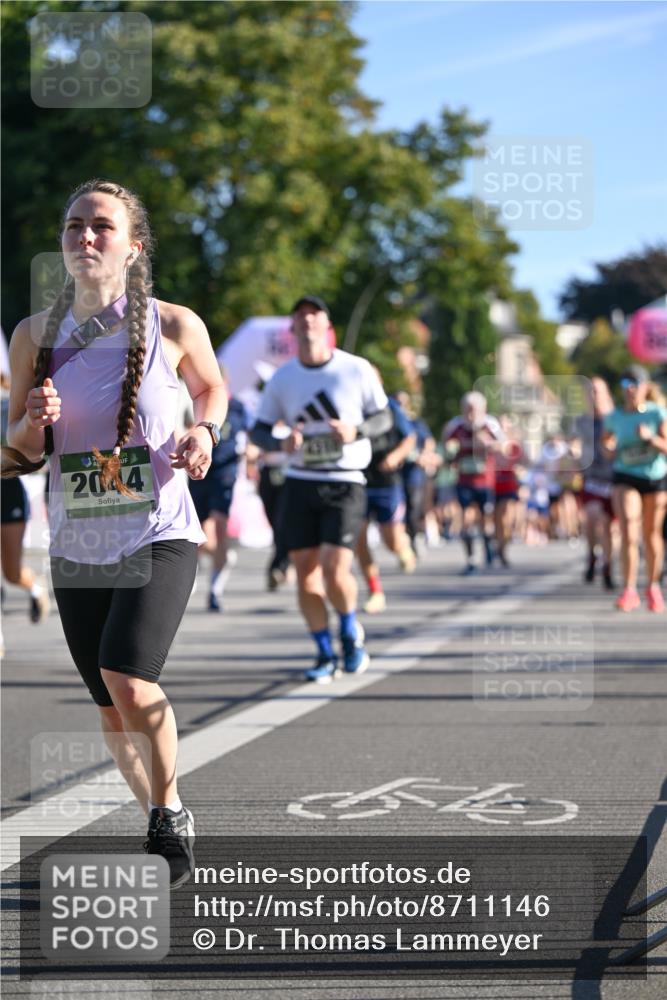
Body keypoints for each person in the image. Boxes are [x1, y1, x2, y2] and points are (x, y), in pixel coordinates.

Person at [6, 179, 227, 885]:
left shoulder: (175, 323)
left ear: (133, 247)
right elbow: (14, 452)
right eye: (74, 226)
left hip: (158, 528)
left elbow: (212, 389)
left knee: (126, 677)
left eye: (101, 226)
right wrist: (31, 423)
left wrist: (204, 431)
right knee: (109, 704)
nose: (85, 237)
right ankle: (162, 809)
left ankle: (166, 815)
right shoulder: (33, 336)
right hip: (78, 540)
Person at [250, 295, 392, 682]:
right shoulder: (283, 378)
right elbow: (259, 430)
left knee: (334, 569)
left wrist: (355, 430)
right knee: (305, 574)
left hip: (345, 480)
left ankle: (348, 630)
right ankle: (324, 652)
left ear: (327, 325)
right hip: (301, 482)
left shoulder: (355, 369)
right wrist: (282, 444)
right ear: (293, 328)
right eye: (300, 316)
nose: (307, 320)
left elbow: (384, 419)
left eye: (315, 314)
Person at [602, 364, 667, 612]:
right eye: (625, 386)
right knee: (629, 527)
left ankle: (652, 586)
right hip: (625, 475)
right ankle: (629, 590)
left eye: (634, 385)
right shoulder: (615, 416)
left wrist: (650, 438)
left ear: (645, 388)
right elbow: (605, 444)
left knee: (651, 536)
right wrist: (608, 448)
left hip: (654, 477)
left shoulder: (657, 413)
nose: (629, 390)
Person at [188, 366, 250, 612]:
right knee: (199, 536)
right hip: (198, 471)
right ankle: (219, 558)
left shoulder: (238, 408)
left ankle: (215, 589)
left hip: (225, 472)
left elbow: (250, 434)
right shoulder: (197, 402)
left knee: (217, 527)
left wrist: (252, 452)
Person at [356, 384, 416, 615]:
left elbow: (409, 437)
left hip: (386, 481)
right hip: (357, 480)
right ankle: (375, 591)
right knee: (359, 539)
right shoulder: (348, 404)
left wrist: (395, 456)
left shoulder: (389, 406)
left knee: (391, 540)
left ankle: (403, 547)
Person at [1, 374, 50, 623]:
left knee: (11, 573)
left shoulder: (7, 403)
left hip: (7, 491)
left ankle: (35, 587)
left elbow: (28, 451)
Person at [442, 391, 503, 574]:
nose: (470, 415)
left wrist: (487, 444)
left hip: (485, 480)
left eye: (474, 410)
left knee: (486, 517)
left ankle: (488, 545)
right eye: (467, 410)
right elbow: (447, 448)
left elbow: (502, 446)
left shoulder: (490, 424)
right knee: (467, 517)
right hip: (464, 479)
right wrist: (451, 452)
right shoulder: (456, 426)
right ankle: (471, 558)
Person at [577, 376, 616, 589]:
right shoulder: (582, 421)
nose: (595, 395)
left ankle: (608, 565)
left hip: (613, 478)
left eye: (598, 391)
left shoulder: (615, 417)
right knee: (592, 516)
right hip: (592, 478)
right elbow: (574, 443)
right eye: (591, 391)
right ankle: (592, 555)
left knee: (609, 526)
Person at [493, 415, 524, 567]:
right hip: (493, 485)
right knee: (496, 520)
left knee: (506, 519)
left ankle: (503, 548)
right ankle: (497, 546)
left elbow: (525, 462)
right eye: (500, 426)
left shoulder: (514, 446)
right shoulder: (491, 444)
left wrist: (521, 471)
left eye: (506, 426)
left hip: (509, 486)